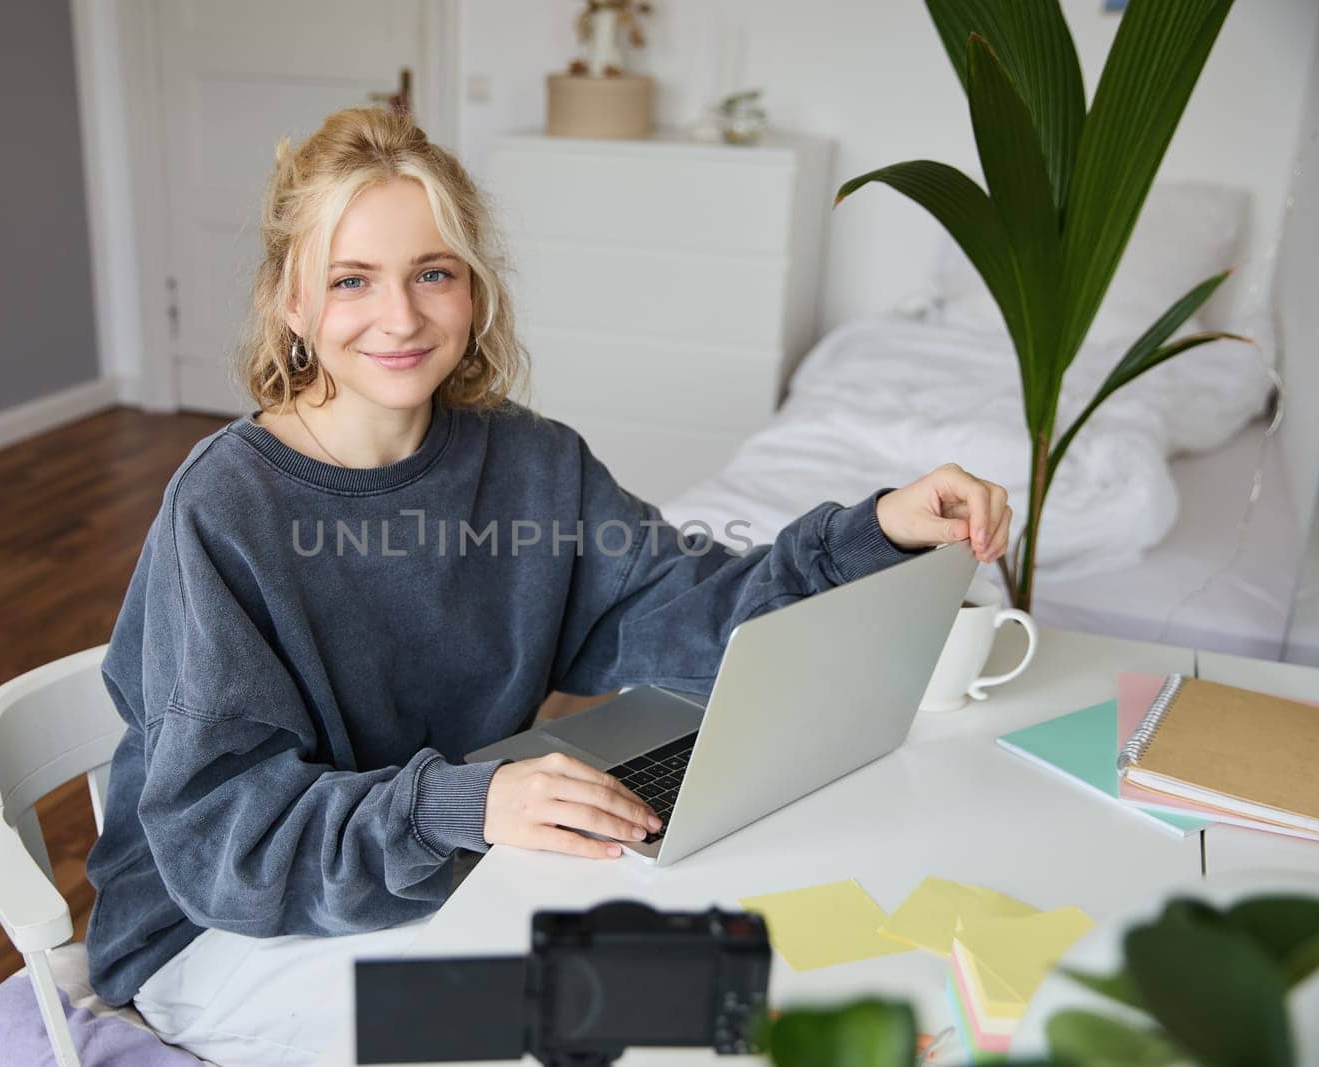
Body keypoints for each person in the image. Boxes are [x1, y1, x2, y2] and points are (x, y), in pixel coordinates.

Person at [85, 106, 1010, 1064]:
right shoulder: (226, 506)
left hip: (442, 870)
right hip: (225, 929)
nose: (399, 317)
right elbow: (223, 840)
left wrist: (875, 531)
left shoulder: (532, 463)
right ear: (290, 301)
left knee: (721, 971)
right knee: (602, 1027)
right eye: (350, 280)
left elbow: (698, 619)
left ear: (475, 291)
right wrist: (466, 806)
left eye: (432, 273)